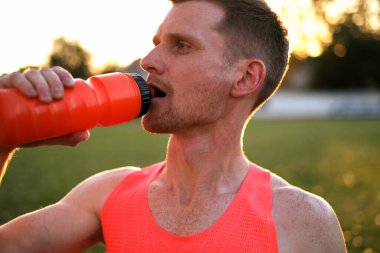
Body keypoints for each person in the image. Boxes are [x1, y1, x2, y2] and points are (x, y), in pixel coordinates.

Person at [0, 0, 347, 252]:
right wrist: (4, 139)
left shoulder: (301, 219)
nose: (149, 62)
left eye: (182, 46)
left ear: (245, 77)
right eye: (156, 45)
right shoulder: (107, 195)